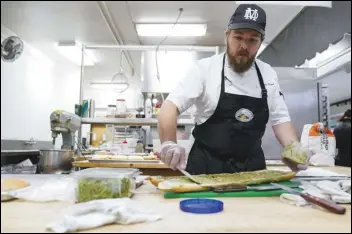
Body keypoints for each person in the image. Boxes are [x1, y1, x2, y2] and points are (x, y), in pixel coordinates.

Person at [157, 4, 308, 174]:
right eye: (238, 37)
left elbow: (280, 119)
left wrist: (294, 148)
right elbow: (169, 107)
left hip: (252, 170)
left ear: (260, 43)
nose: (244, 45)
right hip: (205, 166)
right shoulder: (204, 69)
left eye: (252, 40)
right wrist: (169, 143)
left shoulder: (267, 74)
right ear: (227, 36)